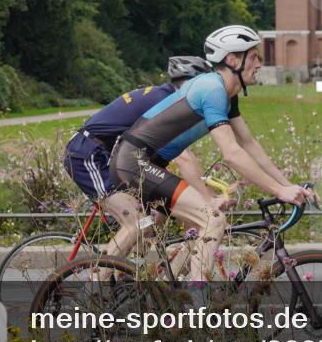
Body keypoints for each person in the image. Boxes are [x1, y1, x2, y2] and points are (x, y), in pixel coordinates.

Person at [110, 24, 314, 280]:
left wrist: (288, 186)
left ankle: (155, 289)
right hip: (133, 163)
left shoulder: (228, 95)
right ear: (232, 60)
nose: (259, 64)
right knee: (213, 220)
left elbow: (249, 145)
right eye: (253, 57)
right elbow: (232, 153)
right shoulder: (212, 89)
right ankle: (198, 308)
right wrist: (278, 191)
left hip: (147, 165)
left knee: (193, 228)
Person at [63, 57, 216, 257]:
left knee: (156, 211)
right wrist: (207, 197)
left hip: (114, 158)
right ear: (187, 84)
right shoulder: (166, 102)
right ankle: (96, 281)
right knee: (136, 222)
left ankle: (135, 273)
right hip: (89, 154)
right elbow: (184, 158)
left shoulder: (165, 96)